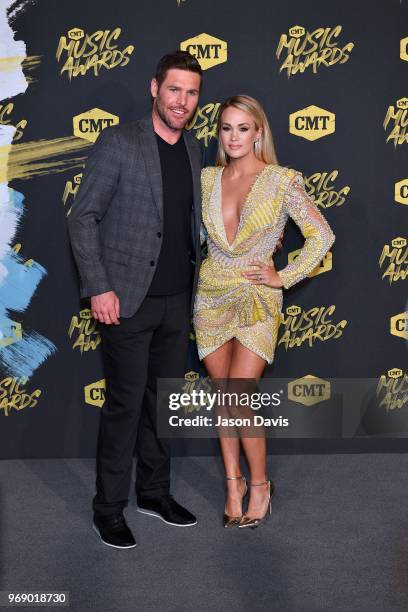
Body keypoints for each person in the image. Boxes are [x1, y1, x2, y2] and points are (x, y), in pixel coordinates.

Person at [68, 51, 203, 548]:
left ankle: (154, 493)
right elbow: (83, 218)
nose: (181, 102)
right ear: (154, 88)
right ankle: (109, 508)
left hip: (176, 301)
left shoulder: (194, 150)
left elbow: (193, 224)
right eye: (174, 90)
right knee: (124, 406)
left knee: (162, 406)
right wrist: (99, 286)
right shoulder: (120, 142)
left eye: (191, 93)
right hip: (125, 300)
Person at [193, 95, 335, 528]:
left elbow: (322, 236)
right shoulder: (206, 179)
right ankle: (233, 484)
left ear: (258, 133)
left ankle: (260, 485)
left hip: (257, 298)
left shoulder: (282, 181)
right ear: (219, 133)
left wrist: (284, 276)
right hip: (211, 295)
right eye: (226, 128)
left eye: (243, 128)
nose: (233, 136)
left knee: (239, 394)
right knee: (224, 395)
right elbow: (197, 235)